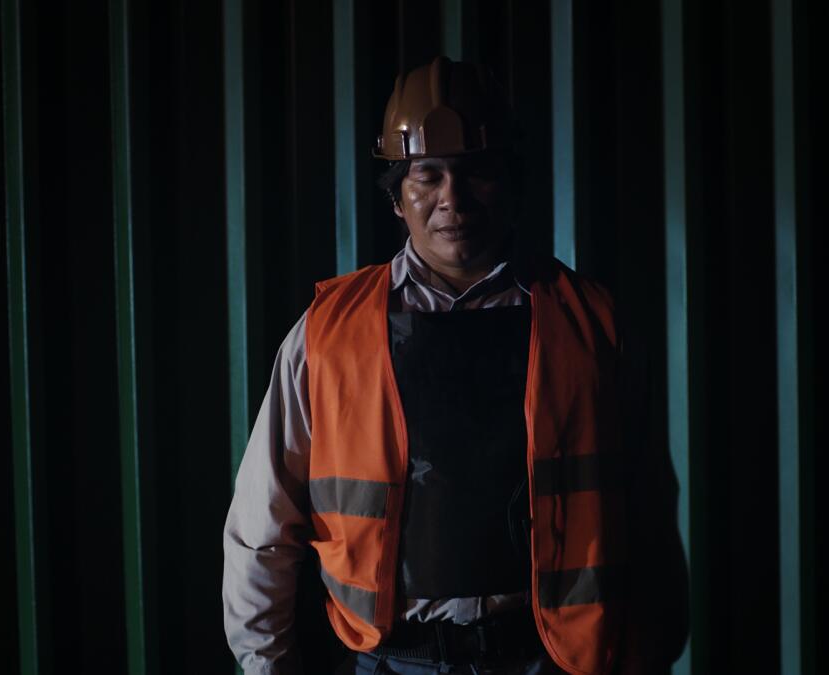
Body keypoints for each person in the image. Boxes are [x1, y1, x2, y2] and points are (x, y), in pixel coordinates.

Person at [223, 56, 687, 675]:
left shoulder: (592, 324)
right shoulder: (328, 332)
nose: (453, 200)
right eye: (428, 176)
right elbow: (263, 525)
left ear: (512, 184)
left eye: (477, 174)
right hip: (393, 663)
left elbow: (647, 510)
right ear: (397, 197)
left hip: (552, 660)